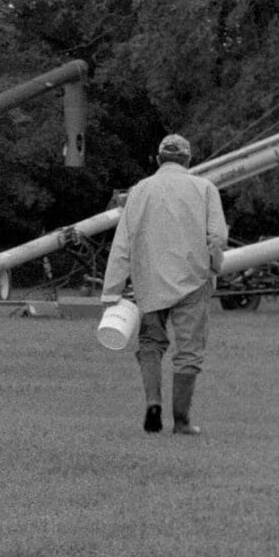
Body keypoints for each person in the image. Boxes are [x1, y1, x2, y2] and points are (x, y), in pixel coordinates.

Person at [101, 134, 228, 435]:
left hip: (150, 280)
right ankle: (181, 420)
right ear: (188, 160)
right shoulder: (205, 188)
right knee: (188, 351)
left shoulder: (140, 190)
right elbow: (217, 237)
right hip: (193, 281)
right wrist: (214, 267)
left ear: (158, 160)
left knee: (150, 344)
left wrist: (112, 290)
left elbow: (123, 243)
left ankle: (153, 404)